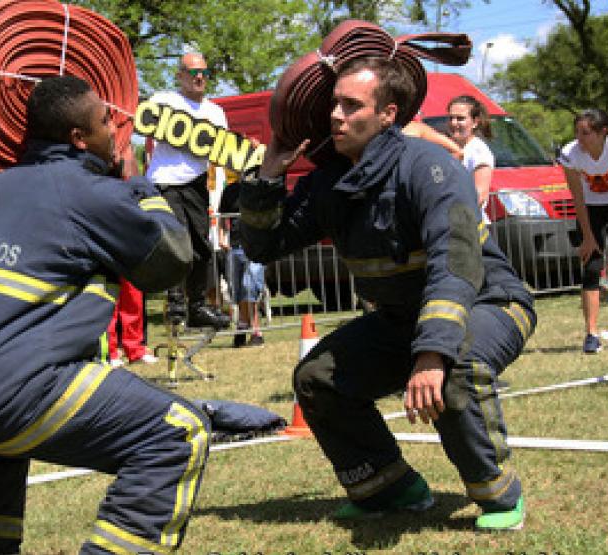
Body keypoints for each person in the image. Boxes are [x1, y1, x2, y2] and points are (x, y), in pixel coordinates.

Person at [0, 75, 209, 555]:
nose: (115, 129)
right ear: (79, 138)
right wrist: (137, 181)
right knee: (177, 431)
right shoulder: (91, 193)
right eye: (106, 120)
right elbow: (172, 258)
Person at [239, 57, 535, 531]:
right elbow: (262, 246)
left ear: (388, 114)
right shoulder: (329, 182)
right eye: (334, 103)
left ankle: (498, 495)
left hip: (489, 303)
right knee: (318, 378)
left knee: (455, 368)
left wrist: (433, 350)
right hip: (404, 318)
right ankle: (390, 488)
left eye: (352, 105)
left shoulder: (430, 168)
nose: (336, 115)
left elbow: (453, 265)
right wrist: (269, 175)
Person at [145, 53, 231, 329]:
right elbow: (146, 127)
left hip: (196, 183)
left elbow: (222, 155)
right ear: (180, 75)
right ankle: (176, 301)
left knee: (202, 247)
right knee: (177, 240)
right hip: (165, 180)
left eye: (204, 73)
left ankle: (197, 306)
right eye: (193, 72)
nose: (199, 77)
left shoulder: (215, 112)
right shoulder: (163, 100)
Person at [558, 109, 608, 352]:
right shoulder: (570, 153)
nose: (580, 139)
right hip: (590, 208)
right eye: (577, 133)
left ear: (603, 132)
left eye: (586, 133)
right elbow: (577, 197)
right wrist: (589, 237)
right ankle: (591, 334)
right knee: (591, 267)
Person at [218, 174, 265, 348]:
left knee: (250, 285)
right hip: (235, 245)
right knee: (237, 288)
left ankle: (253, 329)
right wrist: (222, 236)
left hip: (255, 245)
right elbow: (223, 217)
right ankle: (245, 326)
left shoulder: (258, 187)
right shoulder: (229, 190)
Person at [447, 95, 495, 220]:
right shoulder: (448, 147)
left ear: (475, 122)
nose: (454, 123)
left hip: (470, 226)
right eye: (451, 118)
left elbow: (480, 196)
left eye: (460, 119)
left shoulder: (478, 151)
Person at [107, 279, 159, 366]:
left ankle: (136, 351)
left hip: (130, 269)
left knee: (133, 302)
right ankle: (110, 354)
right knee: (110, 306)